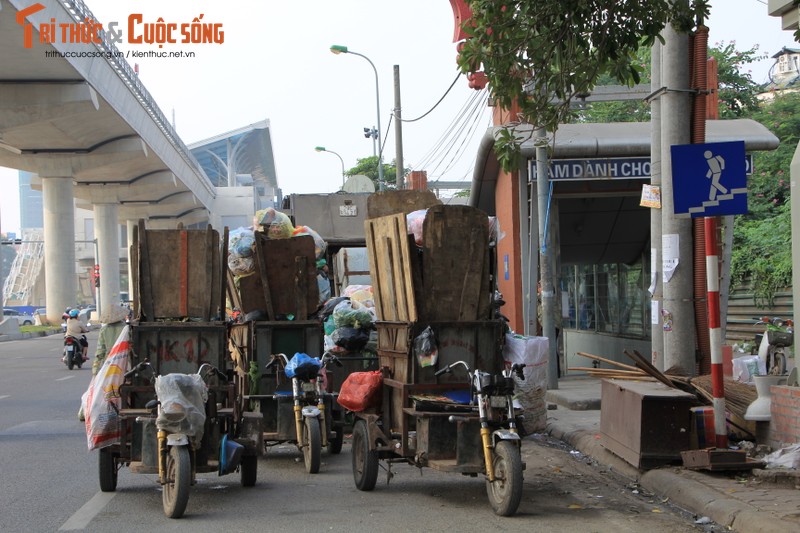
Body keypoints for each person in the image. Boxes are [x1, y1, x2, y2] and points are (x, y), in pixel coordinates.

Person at [91, 304, 129, 376]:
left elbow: (100, 350)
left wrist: (95, 368)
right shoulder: (126, 328)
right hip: (123, 361)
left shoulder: (104, 330)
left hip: (109, 361)